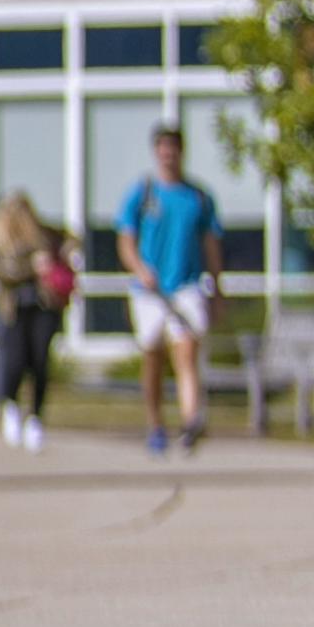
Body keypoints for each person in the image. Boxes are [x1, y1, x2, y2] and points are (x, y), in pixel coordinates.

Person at [116, 124, 222, 457]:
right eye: (162, 149)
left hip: (187, 286)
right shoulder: (143, 193)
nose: (168, 155)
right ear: (156, 152)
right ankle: (156, 424)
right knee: (153, 358)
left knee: (186, 352)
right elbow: (125, 240)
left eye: (173, 149)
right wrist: (139, 269)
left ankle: (191, 422)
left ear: (181, 152)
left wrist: (217, 287)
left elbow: (211, 246)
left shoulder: (198, 198)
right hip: (150, 290)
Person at [0, 190, 72, 451]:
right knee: (15, 361)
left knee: (39, 362)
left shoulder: (43, 236)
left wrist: (59, 257)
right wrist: (33, 266)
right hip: (15, 310)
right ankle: (11, 406)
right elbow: (3, 273)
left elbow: (72, 239)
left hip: (42, 307)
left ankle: (35, 418)